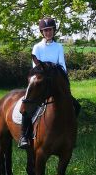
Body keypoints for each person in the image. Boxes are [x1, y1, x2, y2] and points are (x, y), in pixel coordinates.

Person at [19, 16, 69, 148]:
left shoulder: (59, 47)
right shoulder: (37, 47)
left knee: (75, 105)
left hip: (55, 81)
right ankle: (24, 136)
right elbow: (35, 68)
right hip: (40, 82)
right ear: (42, 32)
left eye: (50, 30)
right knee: (28, 107)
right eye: (45, 30)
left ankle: (69, 133)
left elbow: (62, 66)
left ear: (53, 31)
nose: (48, 33)